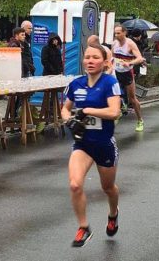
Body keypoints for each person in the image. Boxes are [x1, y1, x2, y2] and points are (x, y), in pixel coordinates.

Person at [61, 44, 121, 247]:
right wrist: (68, 119)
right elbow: (65, 109)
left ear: (105, 62)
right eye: (87, 57)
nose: (90, 61)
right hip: (83, 144)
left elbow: (114, 112)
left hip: (104, 144)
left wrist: (87, 111)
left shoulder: (109, 83)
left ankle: (113, 214)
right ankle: (84, 227)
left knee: (108, 188)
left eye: (95, 57)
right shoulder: (76, 84)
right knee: (75, 184)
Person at [112, 24, 145, 132]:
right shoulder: (114, 43)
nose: (116, 35)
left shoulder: (130, 44)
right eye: (115, 33)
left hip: (127, 73)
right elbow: (112, 58)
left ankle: (140, 120)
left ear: (124, 33)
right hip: (117, 72)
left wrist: (130, 63)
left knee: (132, 99)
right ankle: (118, 113)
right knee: (114, 95)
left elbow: (140, 58)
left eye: (118, 33)